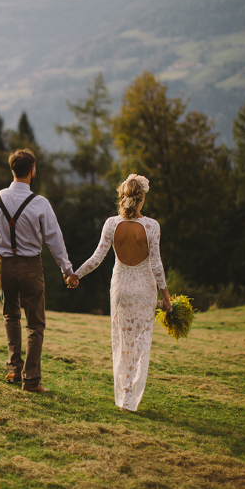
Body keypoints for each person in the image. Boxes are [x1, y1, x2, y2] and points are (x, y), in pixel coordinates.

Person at [0, 149, 78, 393]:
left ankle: (13, 368)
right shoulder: (41, 203)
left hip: (4, 266)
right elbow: (55, 240)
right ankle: (31, 380)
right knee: (35, 324)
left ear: (12, 170)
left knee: (10, 316)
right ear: (32, 171)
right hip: (31, 267)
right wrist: (67, 270)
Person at [69, 174, 171, 411]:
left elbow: (97, 258)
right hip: (145, 290)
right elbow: (156, 265)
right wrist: (165, 296)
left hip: (121, 289)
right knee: (140, 343)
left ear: (123, 197)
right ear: (142, 198)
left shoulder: (111, 224)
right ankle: (131, 397)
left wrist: (76, 275)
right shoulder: (151, 226)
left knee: (122, 342)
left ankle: (124, 395)